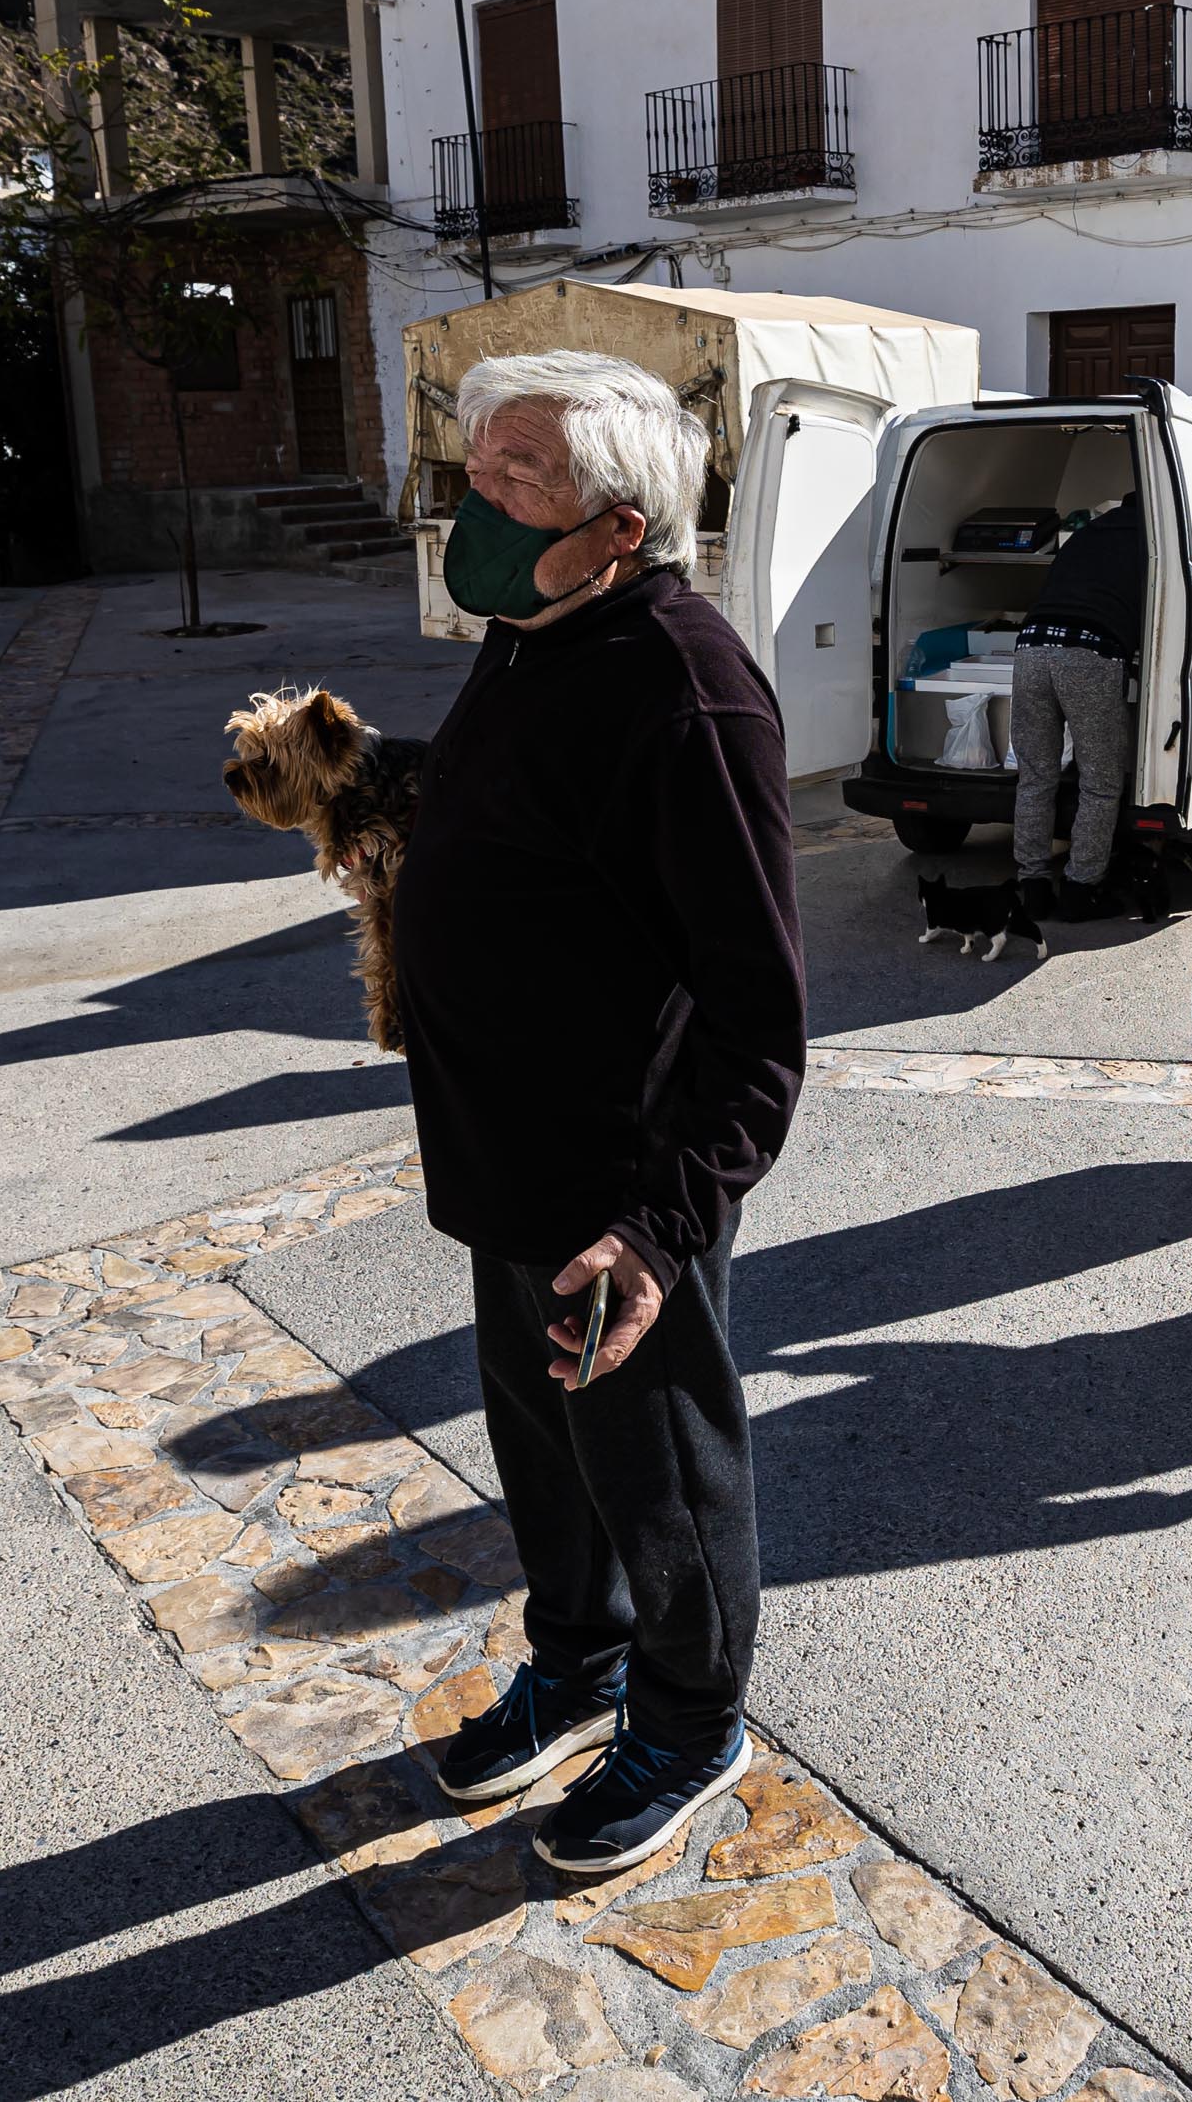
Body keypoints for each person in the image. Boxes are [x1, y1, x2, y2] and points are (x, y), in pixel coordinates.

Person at [396, 350, 805, 1874]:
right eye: (475, 468)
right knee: (543, 1441)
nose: (474, 503)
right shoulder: (527, 628)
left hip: (618, 1189)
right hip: (505, 1156)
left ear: (620, 525)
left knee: (660, 1464)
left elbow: (761, 1013)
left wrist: (663, 1217)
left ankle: (693, 1718)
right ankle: (581, 1658)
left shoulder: (687, 689)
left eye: (515, 481)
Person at [1009, 494, 1147, 916]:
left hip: (1031, 647)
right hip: (1090, 653)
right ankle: (1080, 889)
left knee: (1035, 776)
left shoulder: (1088, 533)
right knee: (1101, 782)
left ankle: (1031, 885)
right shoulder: (1155, 538)